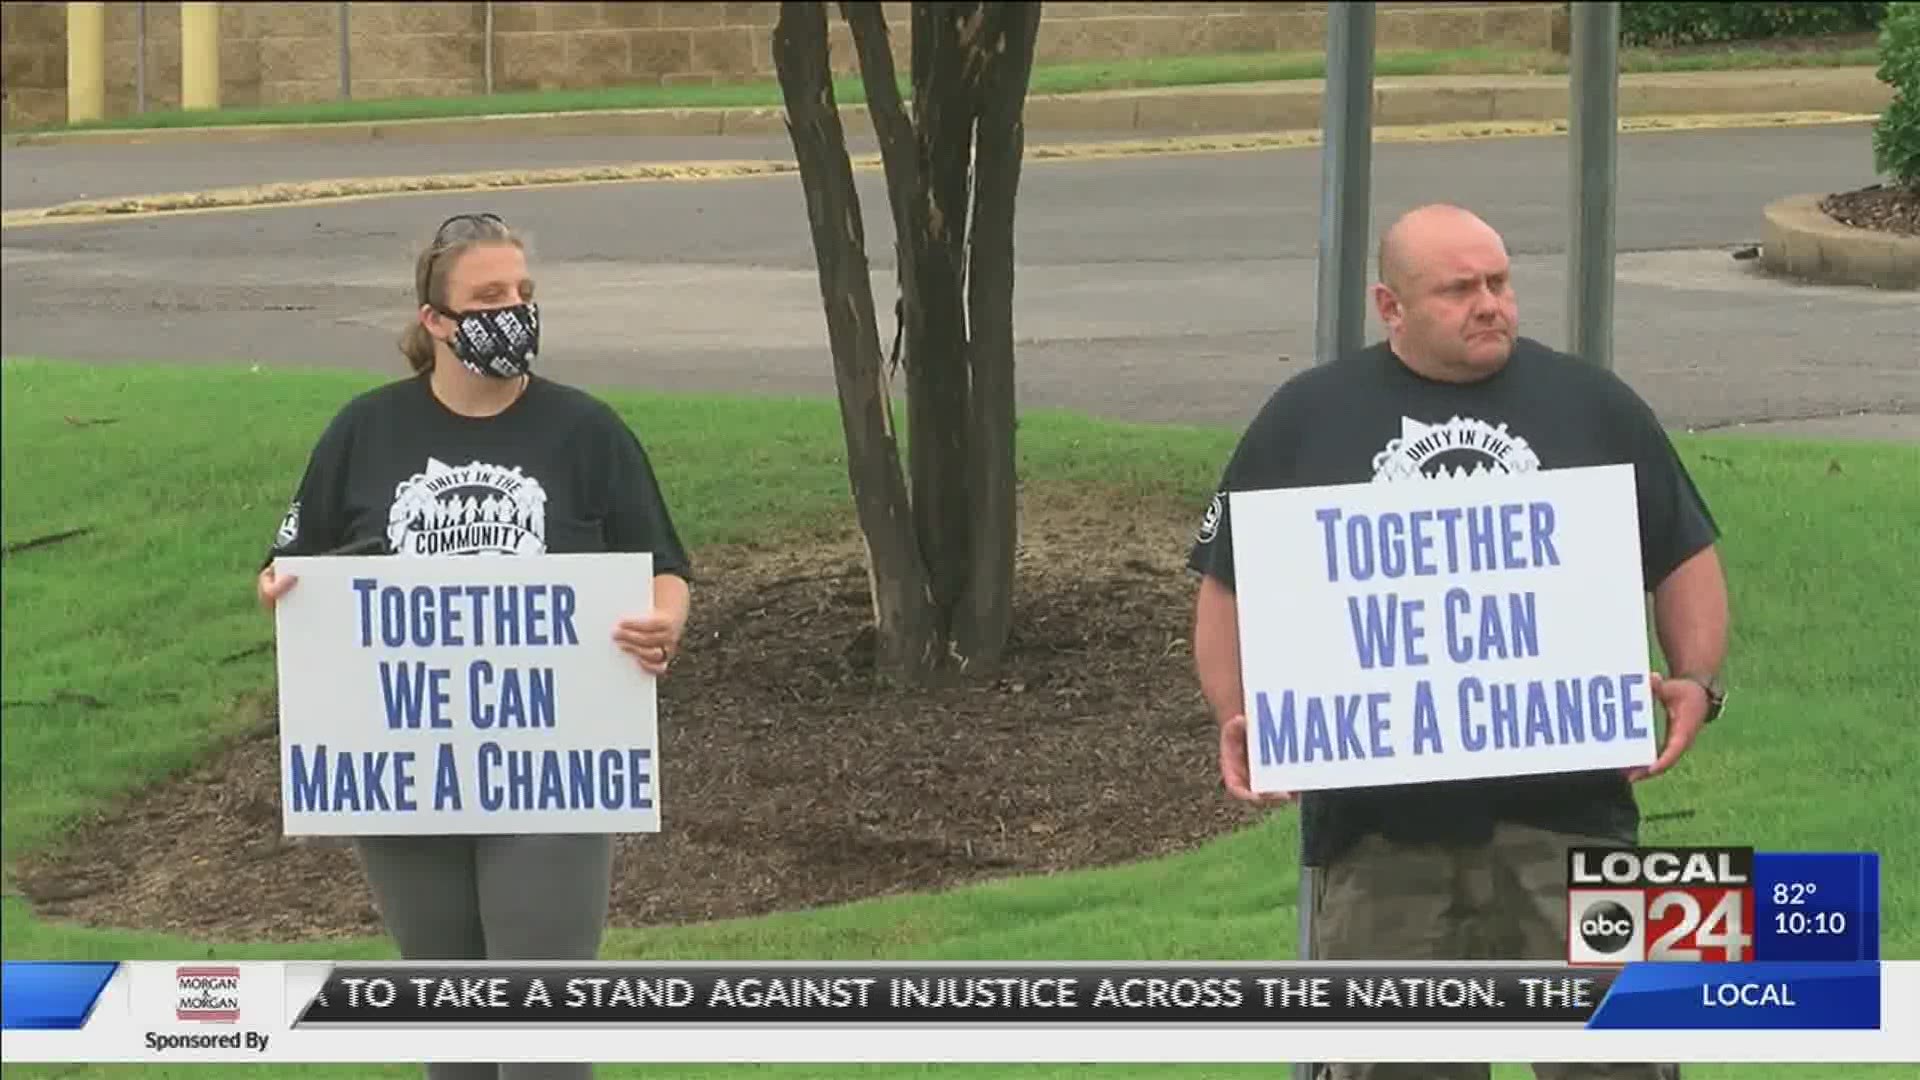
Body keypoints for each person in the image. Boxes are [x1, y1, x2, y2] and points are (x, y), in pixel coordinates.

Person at [1187, 204, 1727, 1080]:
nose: (1491, 304)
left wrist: (1695, 678)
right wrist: (1237, 712)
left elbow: (1686, 553)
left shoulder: (1593, 406)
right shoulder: (1307, 419)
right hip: (1377, 846)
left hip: (1575, 828)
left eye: (1501, 282)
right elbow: (1227, 585)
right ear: (1389, 307)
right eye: (1460, 289)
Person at [255, 211, 692, 1080]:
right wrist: (282, 592)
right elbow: (288, 566)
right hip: (404, 773)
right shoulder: (364, 431)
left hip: (553, 770)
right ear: (436, 323)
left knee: (542, 1033)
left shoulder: (587, 431)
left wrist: (665, 619)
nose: (515, 311)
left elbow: (666, 570)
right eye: (489, 296)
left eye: (524, 294)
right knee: (449, 1024)